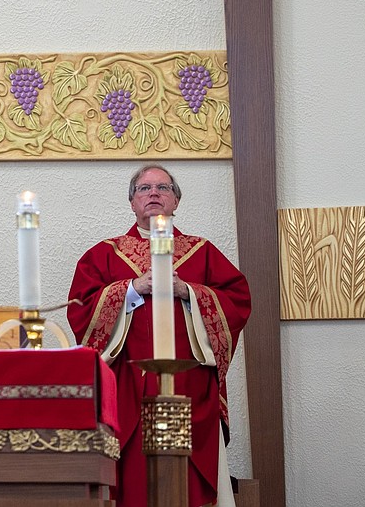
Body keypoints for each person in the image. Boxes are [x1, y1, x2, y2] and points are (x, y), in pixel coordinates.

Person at [67, 165, 251, 507]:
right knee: (133, 477)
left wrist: (188, 291)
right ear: (132, 202)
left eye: (163, 188)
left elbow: (238, 301)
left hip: (190, 387)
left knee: (187, 481)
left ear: (176, 201)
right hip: (126, 387)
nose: (153, 193)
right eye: (144, 188)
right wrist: (131, 288)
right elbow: (81, 309)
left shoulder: (202, 251)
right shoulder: (105, 254)